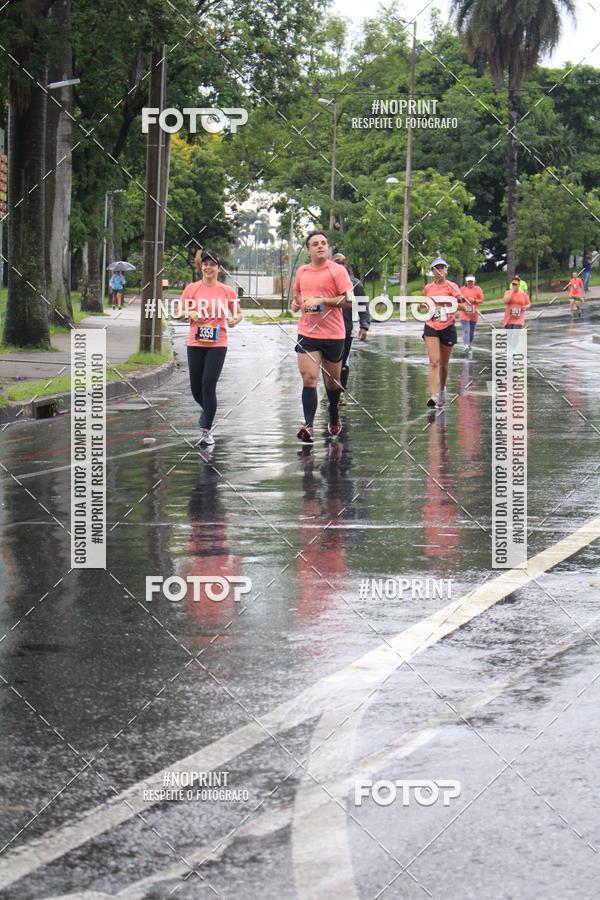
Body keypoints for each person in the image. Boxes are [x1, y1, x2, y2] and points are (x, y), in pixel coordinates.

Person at [291, 231, 354, 443]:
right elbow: (298, 294)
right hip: (307, 333)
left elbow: (349, 300)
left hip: (333, 334)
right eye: (315, 243)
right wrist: (297, 303)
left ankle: (333, 412)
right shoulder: (302, 271)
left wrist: (323, 300)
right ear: (308, 250)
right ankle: (308, 426)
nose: (320, 246)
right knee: (309, 377)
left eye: (324, 243)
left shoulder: (337, 271)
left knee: (333, 383)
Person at [178, 250, 243, 446]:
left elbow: (239, 313)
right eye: (205, 264)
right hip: (195, 343)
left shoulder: (227, 291)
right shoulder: (192, 289)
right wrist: (190, 313)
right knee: (196, 388)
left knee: (208, 384)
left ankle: (206, 430)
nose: (208, 267)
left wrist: (234, 320)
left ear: (218, 268)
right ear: (201, 267)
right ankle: (208, 409)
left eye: (212, 264)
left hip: (217, 344)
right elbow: (179, 312)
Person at [420, 257, 464, 409]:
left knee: (444, 365)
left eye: (442, 267)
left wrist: (447, 304)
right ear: (432, 271)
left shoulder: (452, 286)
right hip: (431, 325)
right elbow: (426, 303)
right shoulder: (428, 287)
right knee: (434, 362)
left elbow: (461, 304)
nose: (439, 270)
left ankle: (442, 390)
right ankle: (433, 396)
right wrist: (422, 305)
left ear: (446, 271)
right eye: (436, 268)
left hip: (447, 327)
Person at [331, 251, 369, 402]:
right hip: (325, 331)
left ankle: (340, 392)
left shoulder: (355, 284)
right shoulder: (324, 281)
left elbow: (362, 305)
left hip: (345, 330)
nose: (341, 265)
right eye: (337, 262)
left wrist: (364, 326)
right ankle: (331, 391)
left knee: (343, 362)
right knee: (329, 364)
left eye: (343, 262)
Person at [459, 274, 484, 357]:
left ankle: (469, 345)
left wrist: (474, 300)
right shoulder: (462, 289)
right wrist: (463, 300)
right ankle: (466, 346)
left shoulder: (478, 289)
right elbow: (458, 300)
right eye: (469, 281)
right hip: (464, 312)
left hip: (474, 313)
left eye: (471, 281)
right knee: (466, 330)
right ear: (466, 281)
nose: (470, 283)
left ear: (474, 281)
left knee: (471, 332)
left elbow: (481, 300)